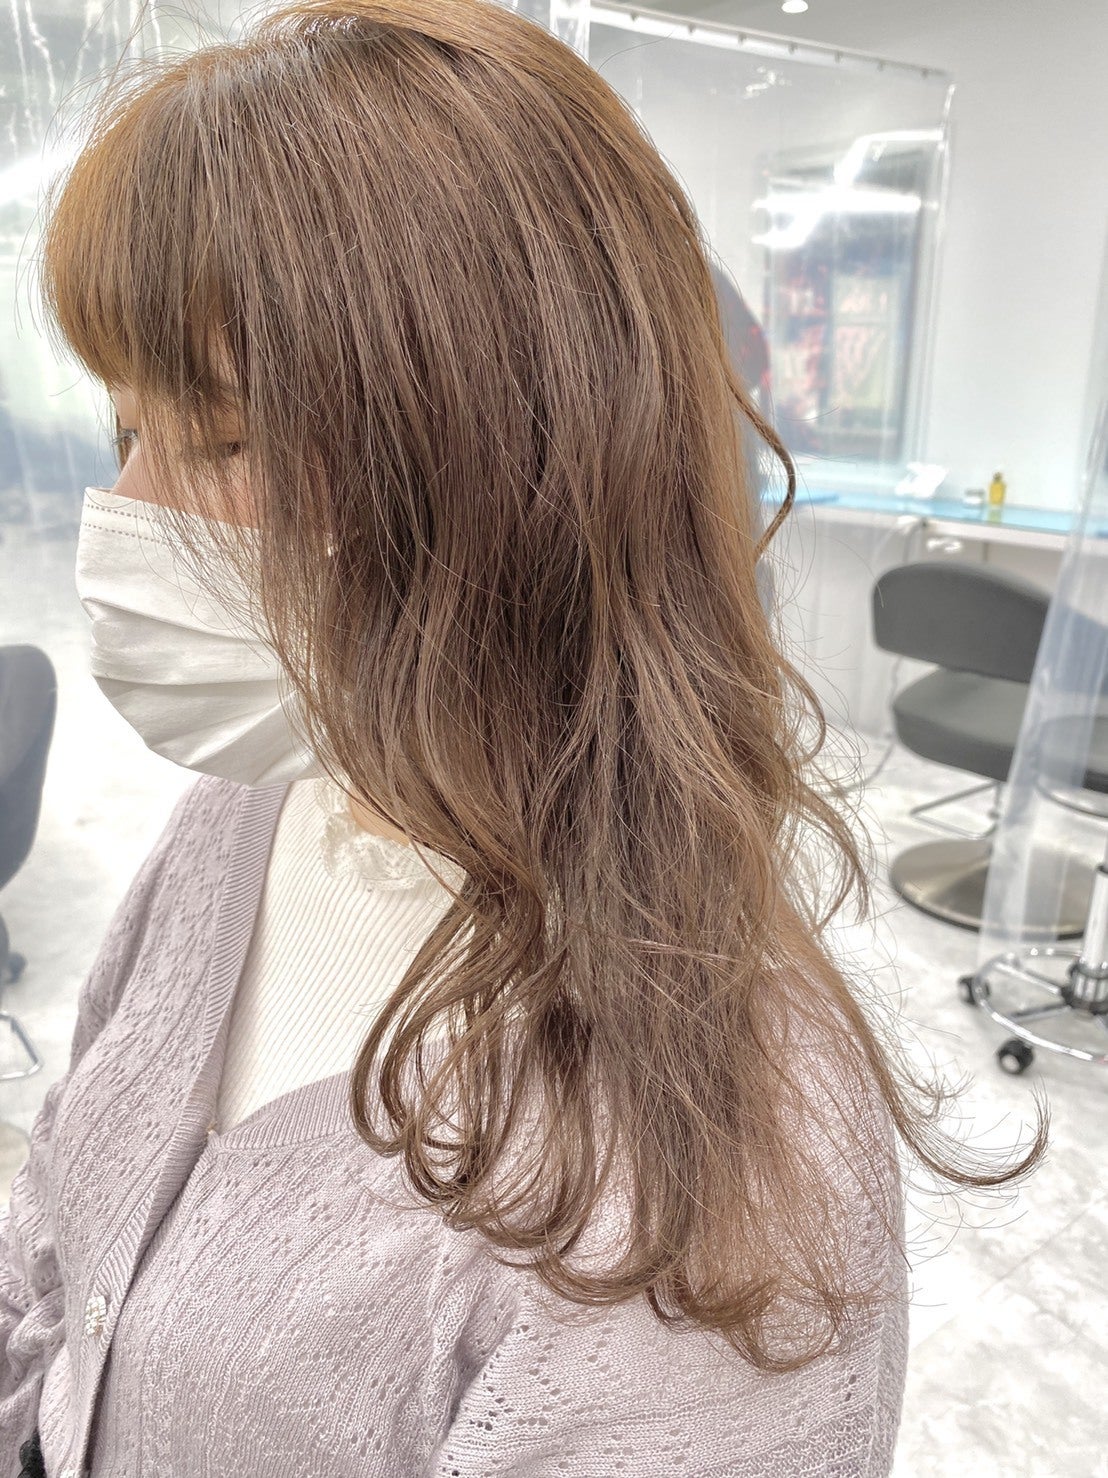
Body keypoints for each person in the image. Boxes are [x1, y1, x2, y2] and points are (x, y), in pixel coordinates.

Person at [4, 0, 1049, 1473]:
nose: (129, 517)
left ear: (512, 465)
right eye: (127, 429)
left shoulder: (718, 1187)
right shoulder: (249, 812)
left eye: (225, 441)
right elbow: (57, 1237)